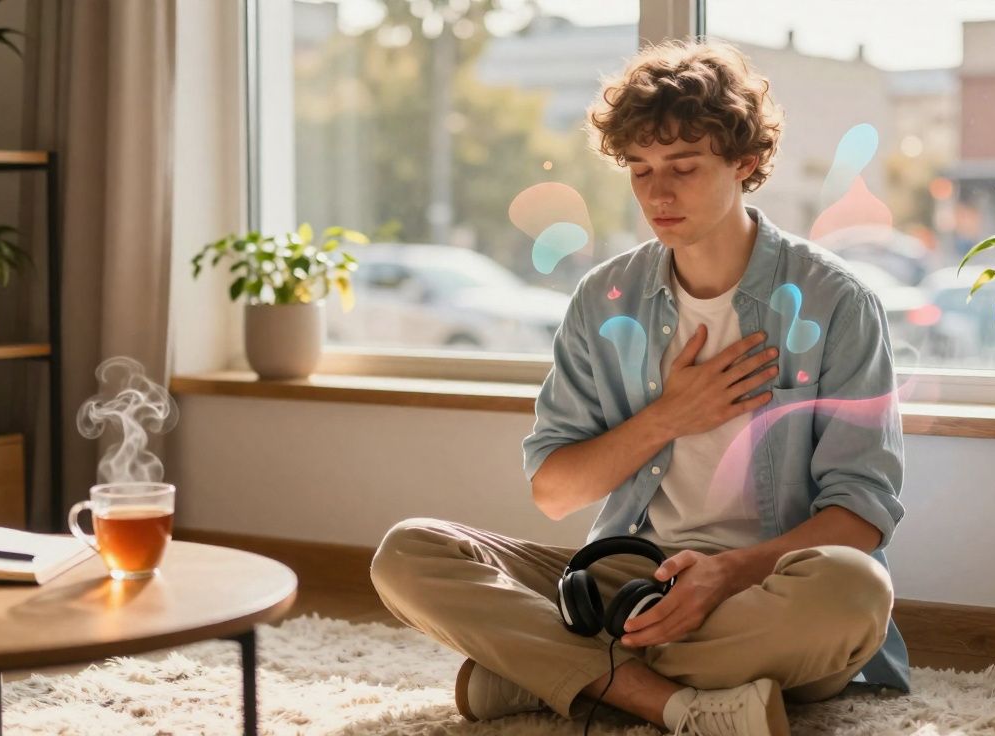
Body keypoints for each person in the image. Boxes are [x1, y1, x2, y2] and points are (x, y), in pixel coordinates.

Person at [370, 38, 908, 736]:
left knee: (855, 591)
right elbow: (555, 491)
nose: (658, 193)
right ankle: (672, 703)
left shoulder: (836, 301)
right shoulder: (604, 299)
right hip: (628, 580)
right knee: (409, 554)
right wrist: (668, 416)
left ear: (745, 162)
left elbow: (862, 513)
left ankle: (553, 671)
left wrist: (725, 574)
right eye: (640, 169)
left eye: (683, 167)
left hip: (768, 587)